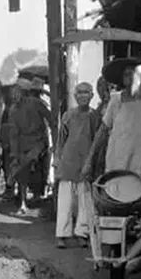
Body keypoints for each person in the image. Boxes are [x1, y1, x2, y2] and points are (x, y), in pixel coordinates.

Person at [81, 57, 141, 193]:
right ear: (122, 79)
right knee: (115, 203)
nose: (130, 78)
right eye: (126, 74)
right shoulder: (115, 101)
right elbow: (102, 133)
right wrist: (89, 161)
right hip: (115, 170)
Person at [54, 82, 102, 249]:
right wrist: (57, 159)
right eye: (79, 92)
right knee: (65, 201)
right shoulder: (68, 115)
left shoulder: (95, 116)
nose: (82, 96)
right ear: (75, 96)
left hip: (86, 162)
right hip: (68, 161)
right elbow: (61, 140)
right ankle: (62, 234)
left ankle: (82, 233)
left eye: (86, 92)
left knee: (84, 200)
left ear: (91, 96)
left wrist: (94, 162)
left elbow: (97, 140)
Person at [9, 78, 52, 215]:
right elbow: (13, 133)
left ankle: (35, 197)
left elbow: (50, 118)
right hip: (26, 143)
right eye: (13, 92)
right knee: (23, 172)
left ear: (23, 92)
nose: (14, 95)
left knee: (36, 169)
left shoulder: (35, 103)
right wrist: (14, 153)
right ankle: (23, 202)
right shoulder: (14, 109)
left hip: (38, 142)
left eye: (17, 91)